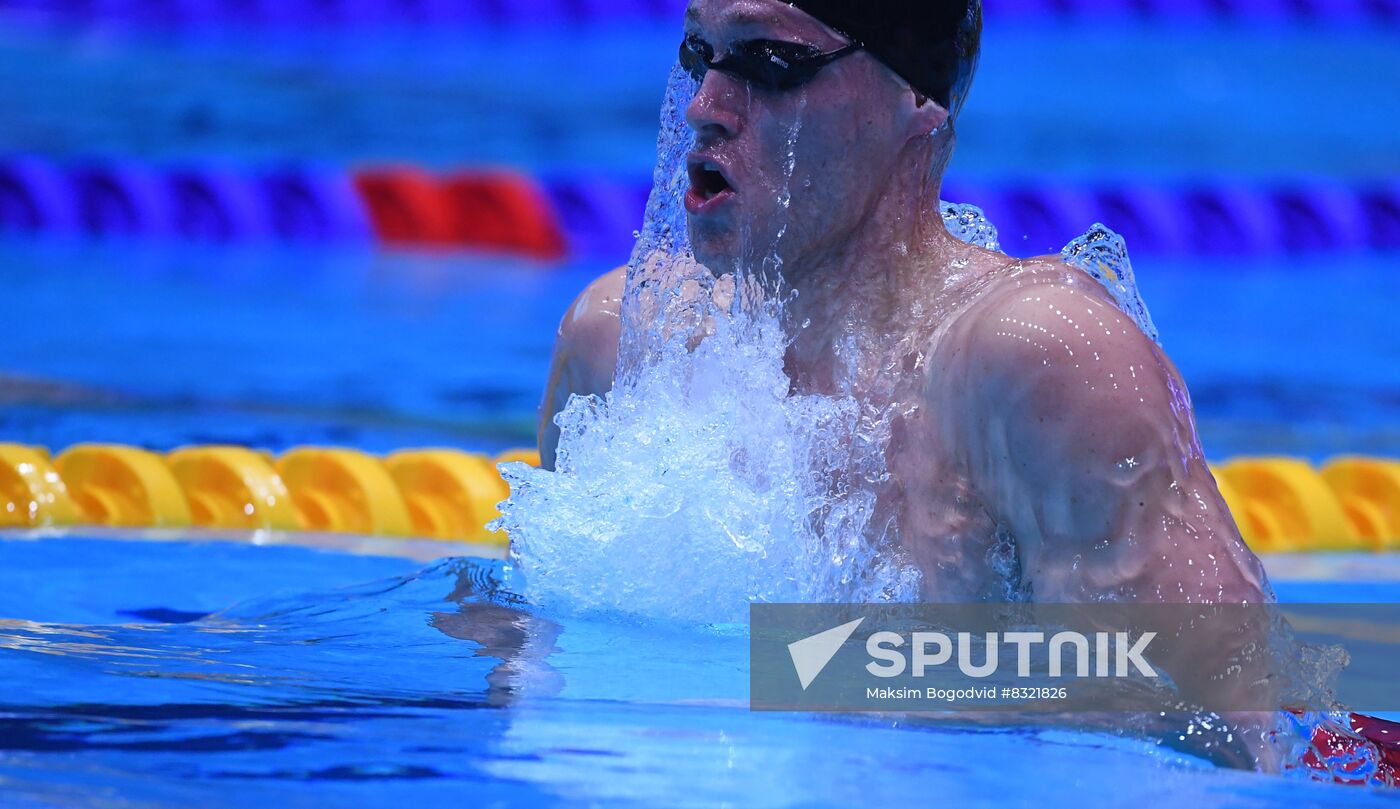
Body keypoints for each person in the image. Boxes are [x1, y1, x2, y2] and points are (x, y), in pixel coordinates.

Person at [541, 0, 1267, 606]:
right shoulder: (626, 346)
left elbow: (1236, 728)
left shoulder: (1028, 362)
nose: (705, 106)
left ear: (916, 99)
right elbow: (532, 662)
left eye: (769, 63)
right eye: (701, 54)